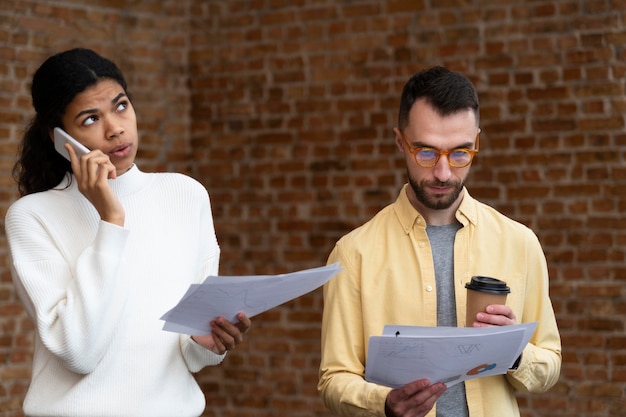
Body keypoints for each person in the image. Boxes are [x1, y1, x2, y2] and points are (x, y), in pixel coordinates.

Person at [5, 48, 251, 417]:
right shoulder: (32, 216)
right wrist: (110, 219)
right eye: (90, 118)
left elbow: (192, 352)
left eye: (121, 106)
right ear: (58, 137)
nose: (115, 128)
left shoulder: (185, 196)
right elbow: (80, 352)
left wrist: (207, 342)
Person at [318, 66, 561, 417]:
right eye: (426, 153)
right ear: (400, 141)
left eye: (460, 152)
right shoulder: (354, 254)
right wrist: (383, 403)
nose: (444, 173)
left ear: (476, 141)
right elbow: (334, 379)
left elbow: (549, 365)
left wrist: (515, 350)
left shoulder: (520, 243)